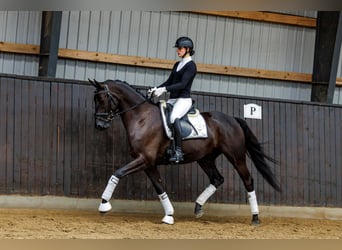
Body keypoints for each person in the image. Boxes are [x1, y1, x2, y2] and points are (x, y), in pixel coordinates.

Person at [150, 36, 197, 163]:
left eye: (180, 48)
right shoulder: (177, 64)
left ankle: (178, 151)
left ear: (187, 49)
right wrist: (156, 89)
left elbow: (182, 84)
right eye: (178, 48)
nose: (178, 51)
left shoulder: (191, 66)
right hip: (173, 99)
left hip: (183, 100)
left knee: (173, 118)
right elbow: (170, 81)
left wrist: (164, 89)